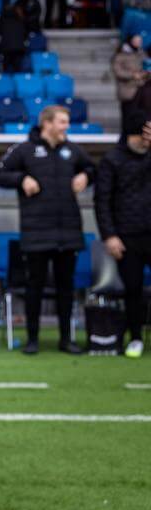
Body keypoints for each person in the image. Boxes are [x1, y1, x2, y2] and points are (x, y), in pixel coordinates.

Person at [0, 105, 94, 355]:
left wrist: (86, 176)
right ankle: (32, 340)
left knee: (66, 288)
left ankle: (66, 340)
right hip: (36, 232)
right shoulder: (24, 149)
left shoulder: (73, 150)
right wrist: (22, 179)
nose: (66, 127)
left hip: (68, 231)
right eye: (62, 122)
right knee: (34, 287)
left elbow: (93, 168)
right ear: (47, 123)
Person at [95, 110, 151, 359]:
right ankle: (135, 337)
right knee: (133, 289)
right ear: (133, 134)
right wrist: (109, 235)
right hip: (127, 236)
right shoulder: (112, 160)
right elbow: (102, 201)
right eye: (145, 134)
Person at [112, 34, 151, 121]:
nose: (138, 43)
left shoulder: (142, 53)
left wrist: (145, 73)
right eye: (136, 40)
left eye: (140, 41)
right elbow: (117, 71)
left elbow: (146, 67)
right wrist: (132, 75)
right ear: (130, 41)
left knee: (143, 117)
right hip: (128, 89)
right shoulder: (121, 55)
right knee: (128, 115)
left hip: (142, 89)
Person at [0, 4, 28, 72]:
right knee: (17, 70)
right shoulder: (20, 20)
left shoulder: (3, 19)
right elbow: (25, 33)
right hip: (18, 48)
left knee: (5, 70)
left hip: (6, 48)